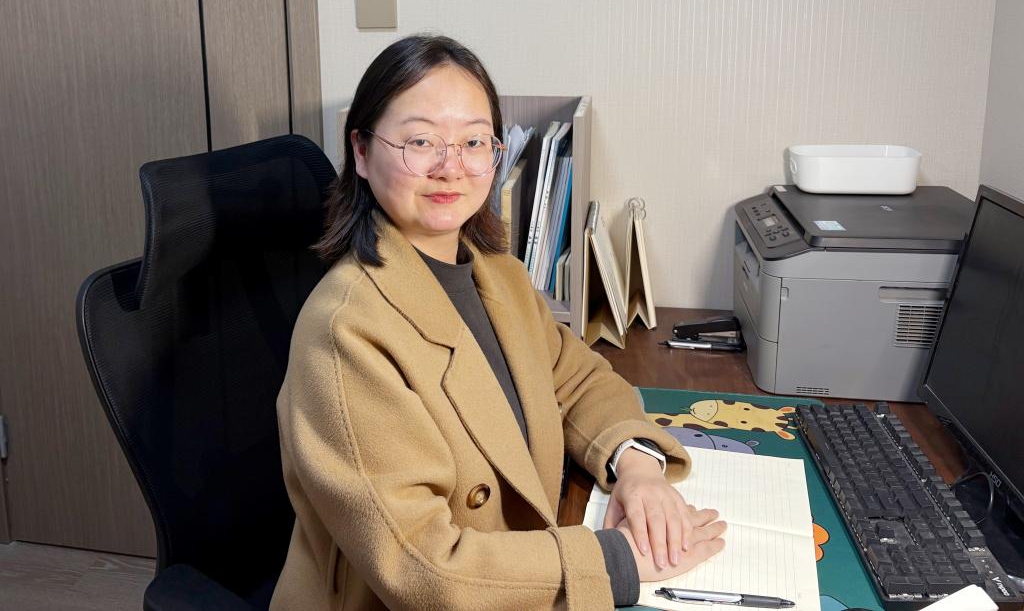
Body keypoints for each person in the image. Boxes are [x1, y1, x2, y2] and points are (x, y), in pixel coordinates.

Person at [270, 35, 726, 611]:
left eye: (473, 142)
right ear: (361, 151)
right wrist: (614, 561)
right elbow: (424, 569)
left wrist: (637, 466)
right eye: (420, 141)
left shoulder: (497, 274)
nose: (451, 167)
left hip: (521, 567)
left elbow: (577, 381)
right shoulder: (344, 332)